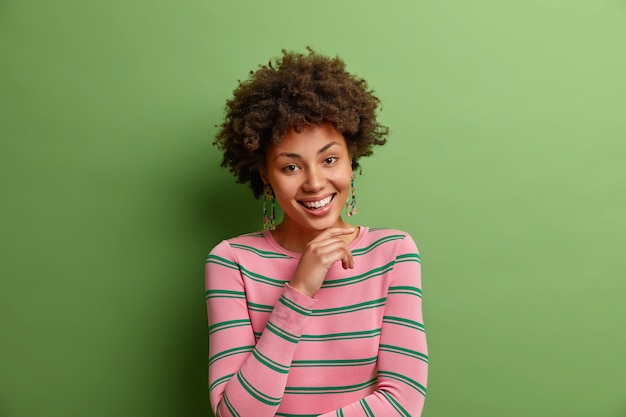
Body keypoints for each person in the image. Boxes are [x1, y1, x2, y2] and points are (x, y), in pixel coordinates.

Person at [206, 48, 427, 417]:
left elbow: (402, 403)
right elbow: (235, 413)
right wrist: (300, 290)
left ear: (351, 161)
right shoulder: (232, 262)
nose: (315, 183)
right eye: (291, 167)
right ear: (265, 175)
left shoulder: (393, 253)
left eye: (329, 160)